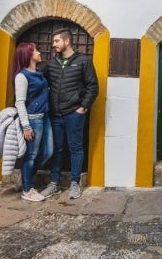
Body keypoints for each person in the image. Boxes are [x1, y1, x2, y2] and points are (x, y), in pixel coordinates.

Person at [40, 29, 98, 200]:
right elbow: (41, 84)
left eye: (57, 41)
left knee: (76, 148)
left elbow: (92, 86)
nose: (54, 44)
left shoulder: (83, 61)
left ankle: (74, 183)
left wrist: (83, 107)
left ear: (67, 42)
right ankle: (54, 184)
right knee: (56, 149)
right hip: (56, 114)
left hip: (74, 113)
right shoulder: (51, 64)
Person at [12, 42, 53, 201]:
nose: (39, 52)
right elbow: (20, 102)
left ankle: (24, 177)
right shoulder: (22, 76)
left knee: (48, 152)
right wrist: (26, 126)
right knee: (31, 155)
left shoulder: (38, 72)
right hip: (33, 119)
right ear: (28, 54)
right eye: (36, 50)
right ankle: (27, 190)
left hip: (45, 116)